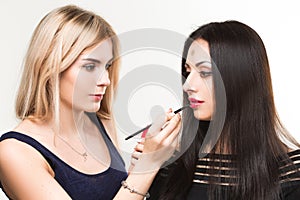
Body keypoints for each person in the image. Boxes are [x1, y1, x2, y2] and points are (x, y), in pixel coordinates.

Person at [0, 5, 182, 200]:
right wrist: (147, 165)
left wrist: (143, 164)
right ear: (50, 66)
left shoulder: (99, 123)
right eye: (89, 66)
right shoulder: (14, 152)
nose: (106, 80)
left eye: (107, 66)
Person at [139, 20, 300, 199]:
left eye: (205, 72)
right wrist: (142, 170)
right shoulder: (173, 164)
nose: (188, 85)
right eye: (187, 71)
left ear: (241, 79)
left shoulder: (291, 172)